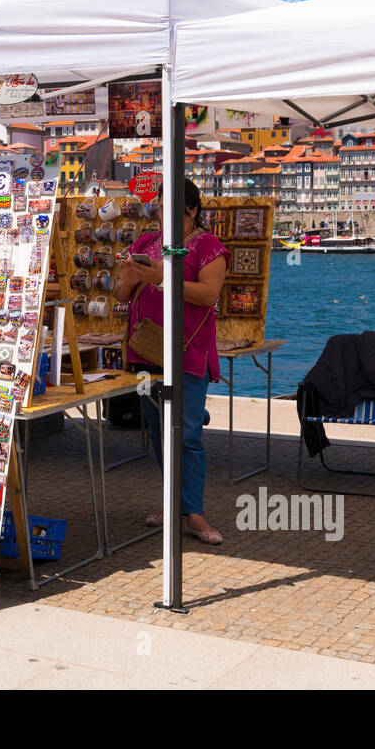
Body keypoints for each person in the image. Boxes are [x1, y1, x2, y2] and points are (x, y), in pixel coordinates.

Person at [115, 178, 229, 545]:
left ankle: (192, 512)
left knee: (188, 435)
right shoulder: (147, 243)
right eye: (160, 208)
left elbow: (209, 294)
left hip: (186, 354)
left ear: (192, 210)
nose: (163, 215)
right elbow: (119, 294)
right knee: (160, 435)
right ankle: (173, 503)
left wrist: (164, 279)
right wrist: (132, 276)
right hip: (146, 354)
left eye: (171, 209)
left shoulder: (208, 247)